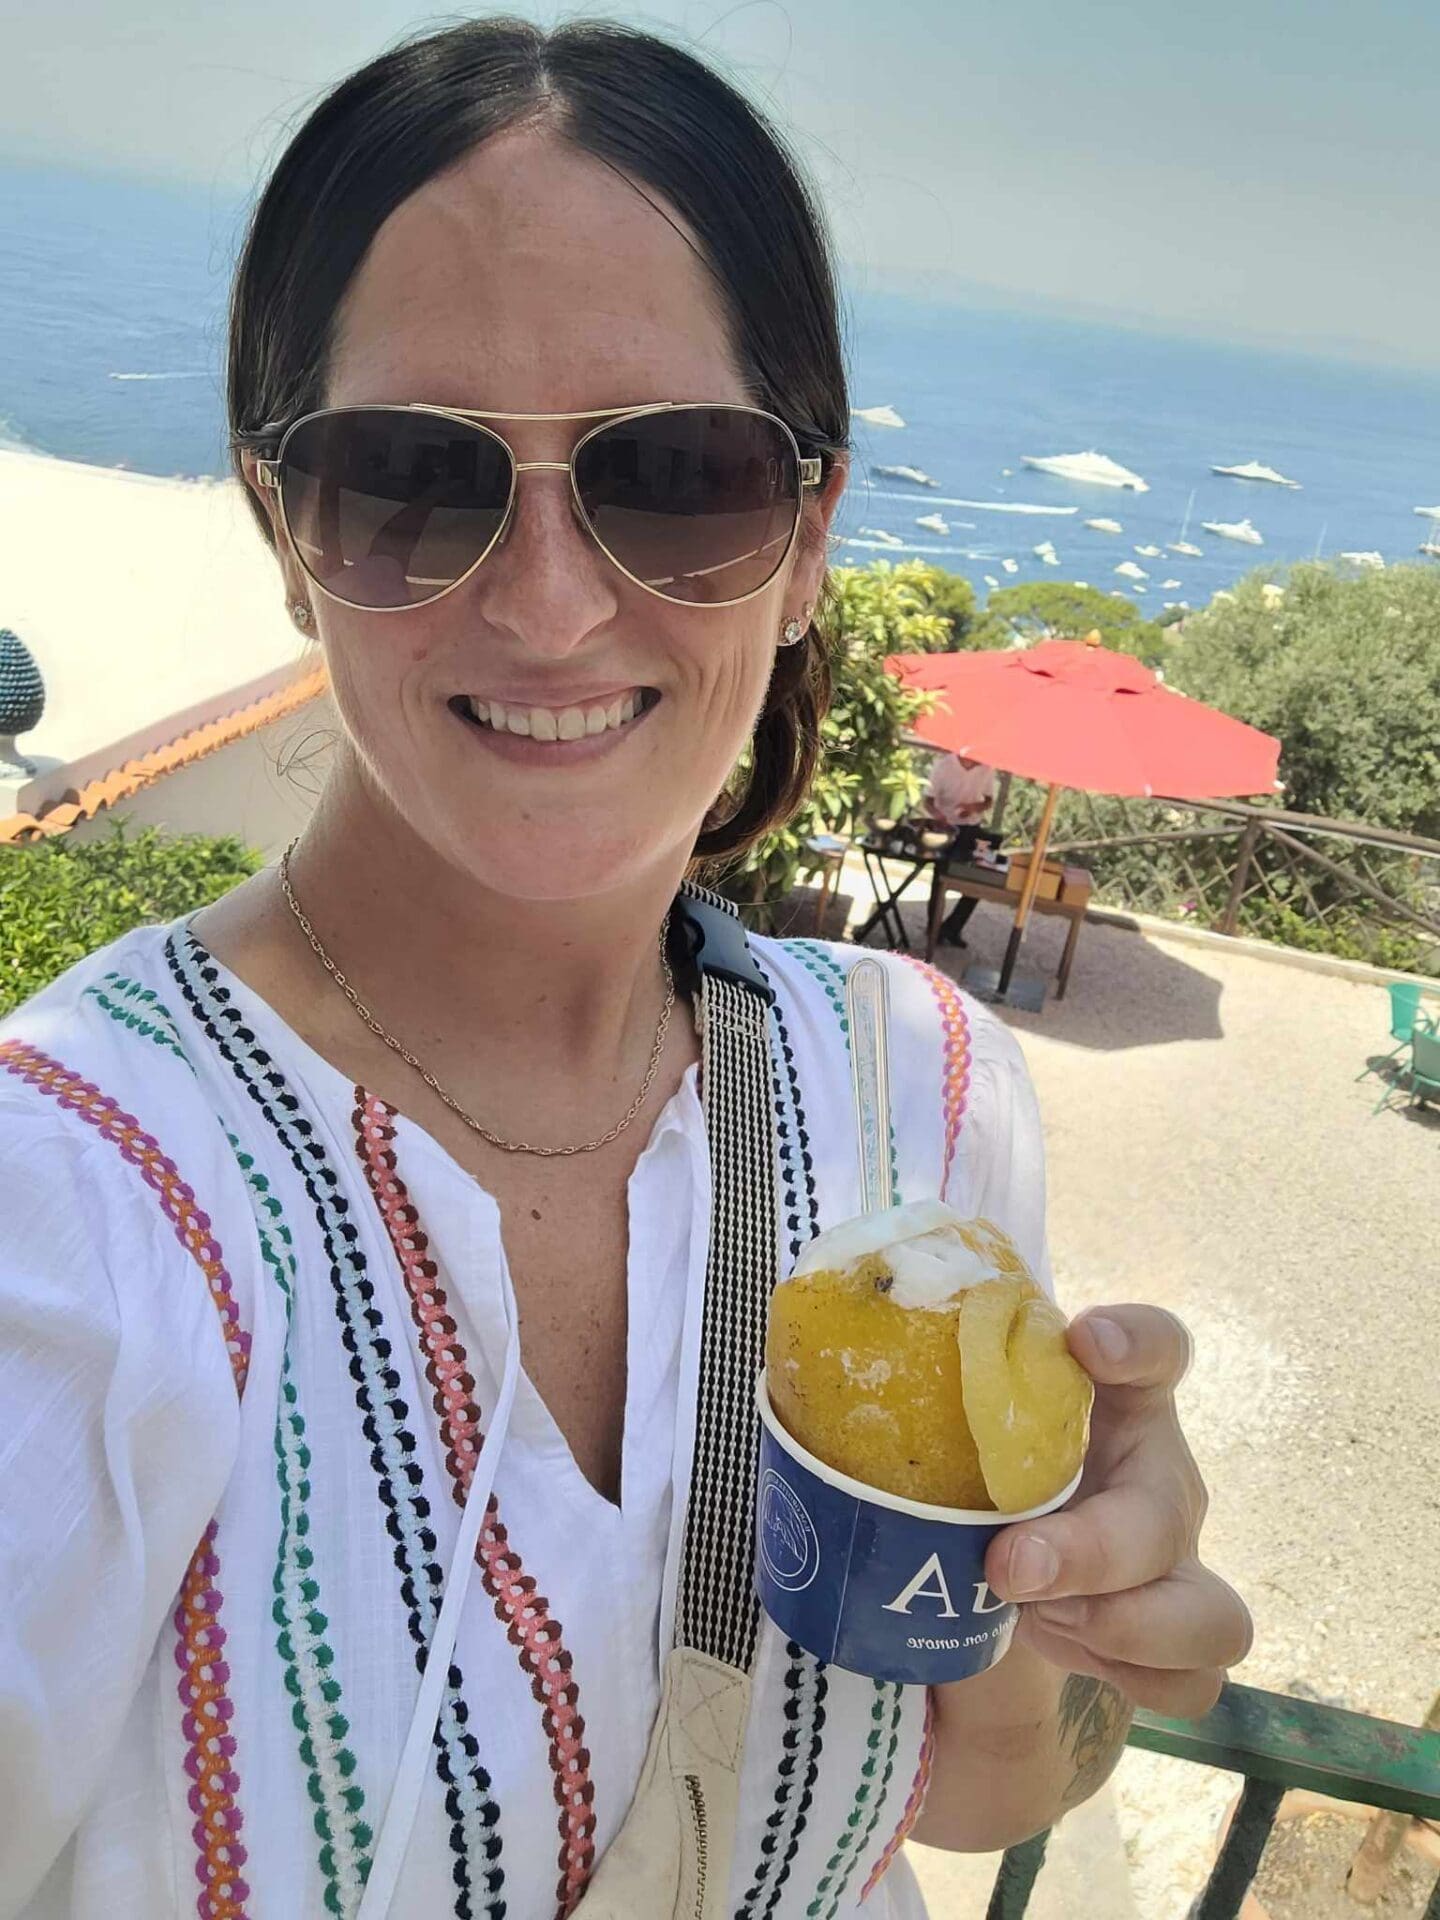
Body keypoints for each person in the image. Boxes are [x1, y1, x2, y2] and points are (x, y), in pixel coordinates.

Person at [0, 20, 1251, 1919]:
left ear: (812, 531)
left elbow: (976, 1800)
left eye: (679, 473)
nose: (553, 601)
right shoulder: (72, 1216)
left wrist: (1060, 1612)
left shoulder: (914, 1088)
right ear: (282, 527)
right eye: (412, 474)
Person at [923, 753, 999, 946]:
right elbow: (928, 800)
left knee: (977, 881)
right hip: (944, 826)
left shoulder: (987, 768)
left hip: (971, 828)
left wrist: (974, 807)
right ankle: (933, 928)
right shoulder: (943, 765)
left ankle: (953, 928)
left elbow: (989, 800)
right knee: (940, 879)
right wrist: (938, 815)